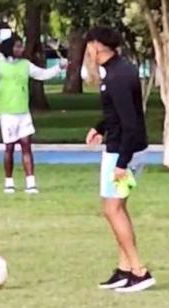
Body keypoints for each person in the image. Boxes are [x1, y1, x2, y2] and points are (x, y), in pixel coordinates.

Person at [83, 26, 155, 293]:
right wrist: (100, 127)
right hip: (123, 147)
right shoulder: (117, 70)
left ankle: (139, 270)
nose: (87, 50)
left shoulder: (117, 76)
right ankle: (125, 269)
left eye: (89, 45)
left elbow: (132, 124)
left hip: (124, 151)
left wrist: (121, 164)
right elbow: (122, 111)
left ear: (98, 46)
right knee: (116, 209)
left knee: (112, 210)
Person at [0, 35, 67, 194]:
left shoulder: (25, 65)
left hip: (23, 113)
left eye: (21, 46)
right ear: (9, 48)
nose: (21, 49)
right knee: (9, 148)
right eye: (17, 47)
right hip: (7, 114)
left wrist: (58, 68)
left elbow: (42, 74)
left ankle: (31, 183)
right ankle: (9, 182)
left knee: (26, 146)